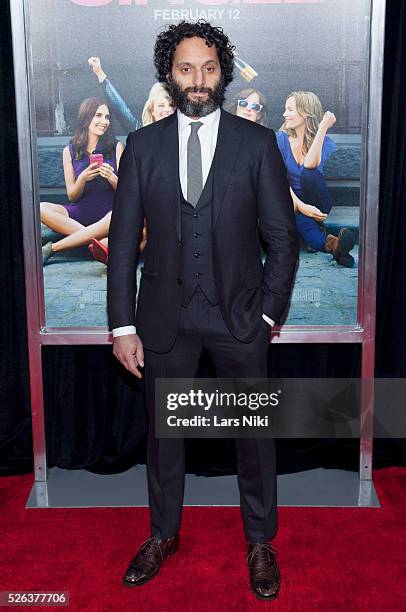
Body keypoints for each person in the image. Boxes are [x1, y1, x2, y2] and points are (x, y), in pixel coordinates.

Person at [107, 21, 299, 601]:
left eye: (209, 68)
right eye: (186, 69)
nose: (198, 80)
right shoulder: (141, 147)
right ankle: (163, 535)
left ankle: (260, 541)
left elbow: (283, 239)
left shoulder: (256, 144)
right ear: (170, 73)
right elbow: (121, 243)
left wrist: (267, 315)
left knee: (253, 437)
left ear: (223, 72)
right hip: (164, 319)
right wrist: (122, 323)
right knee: (165, 436)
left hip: (240, 321)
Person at [41, 97, 124, 265]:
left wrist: (112, 178)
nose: (104, 121)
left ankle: (69, 243)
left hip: (109, 213)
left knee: (118, 216)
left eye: (107, 117)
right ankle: (96, 241)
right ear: (86, 118)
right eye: (98, 116)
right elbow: (72, 195)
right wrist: (83, 179)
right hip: (80, 213)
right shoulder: (69, 151)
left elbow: (127, 193)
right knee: (41, 208)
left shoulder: (116, 147)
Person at [276, 92, 355, 267]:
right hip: (291, 201)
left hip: (318, 200)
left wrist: (323, 128)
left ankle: (319, 233)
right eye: (285, 109)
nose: (284, 114)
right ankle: (335, 247)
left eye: (290, 109)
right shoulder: (279, 140)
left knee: (308, 174)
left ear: (306, 113)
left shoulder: (326, 142)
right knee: (300, 219)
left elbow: (310, 167)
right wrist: (299, 206)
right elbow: (277, 178)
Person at [88, 57, 175, 132]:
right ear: (152, 110)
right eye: (161, 105)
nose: (167, 109)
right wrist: (100, 74)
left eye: (171, 105)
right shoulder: (143, 133)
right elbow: (122, 111)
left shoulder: (185, 135)